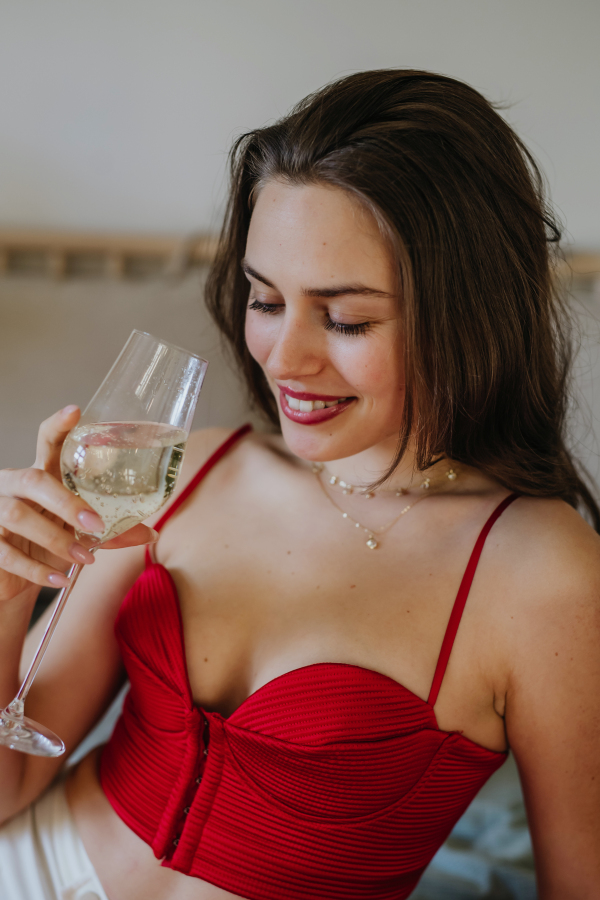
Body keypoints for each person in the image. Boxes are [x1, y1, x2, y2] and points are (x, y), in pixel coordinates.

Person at [0, 69, 599, 900]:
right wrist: (3, 598)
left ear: (467, 313)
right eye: (264, 299)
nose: (283, 358)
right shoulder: (191, 470)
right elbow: (9, 783)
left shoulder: (542, 571)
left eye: (346, 319)